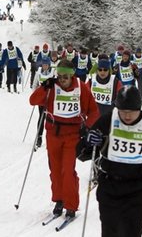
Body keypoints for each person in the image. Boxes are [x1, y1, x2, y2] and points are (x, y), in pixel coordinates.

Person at [77, 85, 142, 237]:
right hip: (109, 187)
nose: (127, 116)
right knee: (109, 233)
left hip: (137, 191)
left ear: (139, 108)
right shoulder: (108, 120)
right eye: (123, 111)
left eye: (132, 112)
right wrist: (88, 142)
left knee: (132, 233)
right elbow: (81, 153)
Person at [29, 59, 100, 218]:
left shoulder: (81, 87)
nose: (62, 80)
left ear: (71, 76)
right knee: (54, 170)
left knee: (67, 170)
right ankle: (59, 200)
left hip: (72, 136)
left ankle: (71, 205)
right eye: (59, 77)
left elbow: (94, 111)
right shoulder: (51, 87)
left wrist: (87, 126)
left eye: (65, 77)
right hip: (53, 134)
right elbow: (32, 101)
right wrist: (44, 87)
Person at [31, 57, 55, 148]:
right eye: (43, 65)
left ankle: (52, 137)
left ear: (49, 65)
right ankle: (39, 137)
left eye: (46, 65)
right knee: (41, 117)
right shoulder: (38, 73)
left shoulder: (53, 72)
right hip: (41, 100)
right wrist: (35, 95)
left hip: (51, 99)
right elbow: (34, 85)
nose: (45, 67)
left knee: (51, 118)